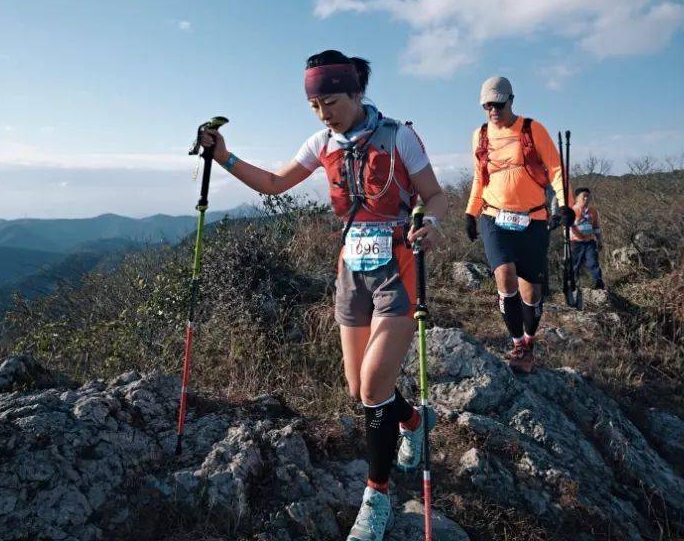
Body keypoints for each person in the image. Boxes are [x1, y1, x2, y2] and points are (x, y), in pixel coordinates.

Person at [197, 50, 449, 541]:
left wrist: (432, 223)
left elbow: (434, 194)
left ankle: (375, 500)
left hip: (397, 267)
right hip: (350, 270)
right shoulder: (322, 142)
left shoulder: (400, 136)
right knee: (360, 391)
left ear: (355, 93)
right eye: (315, 105)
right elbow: (273, 185)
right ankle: (414, 421)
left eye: (330, 101)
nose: (323, 113)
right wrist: (222, 155)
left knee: (375, 387)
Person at [463, 76, 568, 373]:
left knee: (531, 293)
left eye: (498, 103)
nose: (492, 110)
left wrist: (565, 205)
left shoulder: (532, 129)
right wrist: (471, 213)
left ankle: (529, 337)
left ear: (511, 100)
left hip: (533, 218)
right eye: (487, 105)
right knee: (504, 276)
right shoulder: (480, 135)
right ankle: (518, 343)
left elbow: (556, 169)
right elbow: (479, 177)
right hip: (494, 216)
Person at [570, 187, 606, 290]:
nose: (586, 198)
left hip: (590, 242)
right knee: (575, 266)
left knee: (593, 263)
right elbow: (569, 226)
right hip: (576, 243)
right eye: (584, 196)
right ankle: (572, 287)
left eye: (588, 196)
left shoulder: (592, 211)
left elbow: (596, 226)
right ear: (577, 198)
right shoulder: (573, 210)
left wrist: (599, 240)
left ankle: (599, 286)